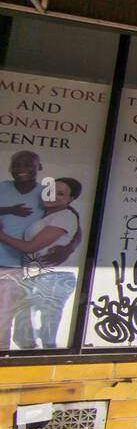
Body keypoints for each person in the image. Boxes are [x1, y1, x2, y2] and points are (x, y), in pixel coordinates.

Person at [0, 177, 82, 349]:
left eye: (61, 193)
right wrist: (72, 245)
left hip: (52, 278)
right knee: (24, 334)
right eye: (51, 190)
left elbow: (31, 247)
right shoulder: (48, 212)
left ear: (70, 199)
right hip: (33, 277)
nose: (53, 195)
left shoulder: (65, 215)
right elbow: (77, 231)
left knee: (45, 334)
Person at [0, 150, 43, 349]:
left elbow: (69, 215)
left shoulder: (45, 193)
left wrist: (69, 245)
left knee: (11, 313)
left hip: (23, 265)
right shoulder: (3, 187)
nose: (22, 169)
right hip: (5, 262)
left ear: (39, 167)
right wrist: (8, 210)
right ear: (10, 169)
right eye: (17, 164)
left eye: (28, 164)